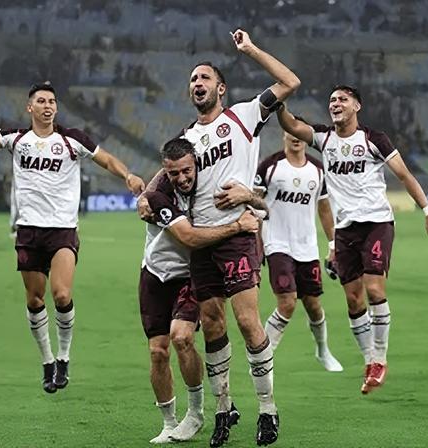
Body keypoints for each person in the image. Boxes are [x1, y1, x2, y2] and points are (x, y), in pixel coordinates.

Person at [0, 82, 145, 394]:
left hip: (62, 230)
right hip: (29, 231)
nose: (48, 106)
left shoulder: (72, 139)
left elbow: (107, 159)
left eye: (52, 101)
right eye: (41, 101)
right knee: (34, 299)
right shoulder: (16, 139)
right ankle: (47, 361)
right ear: (30, 107)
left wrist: (128, 175)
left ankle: (64, 357)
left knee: (61, 295)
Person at [276, 84, 428, 395]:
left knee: (375, 288)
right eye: (332, 100)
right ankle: (369, 361)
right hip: (345, 230)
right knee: (353, 300)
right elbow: (292, 125)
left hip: (376, 222)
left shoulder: (373, 139)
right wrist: (278, 101)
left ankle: (380, 359)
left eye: (343, 99)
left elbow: (404, 175)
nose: (336, 103)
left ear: (357, 106)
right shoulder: (324, 138)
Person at [179, 29, 300, 447]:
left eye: (204, 78)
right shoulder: (186, 139)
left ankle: (268, 408)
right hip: (203, 238)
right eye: (193, 79)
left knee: (248, 322)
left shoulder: (245, 115)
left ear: (221, 88)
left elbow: (289, 82)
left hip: (238, 236)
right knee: (212, 324)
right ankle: (223, 409)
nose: (197, 83)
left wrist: (250, 50)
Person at [138, 138, 261, 444]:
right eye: (174, 173)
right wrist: (238, 227)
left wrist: (250, 201)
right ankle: (169, 422)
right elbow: (188, 237)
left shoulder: (211, 184)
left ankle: (195, 413)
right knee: (157, 351)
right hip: (154, 273)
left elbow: (257, 203)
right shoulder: (159, 195)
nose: (182, 178)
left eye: (186, 171)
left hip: (190, 275)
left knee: (181, 337)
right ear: (166, 171)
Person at [254, 128, 343, 372]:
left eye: (300, 134)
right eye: (291, 133)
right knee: (287, 302)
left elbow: (324, 209)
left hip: (307, 246)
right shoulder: (270, 167)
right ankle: (263, 359)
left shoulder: (317, 170)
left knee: (313, 305)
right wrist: (256, 242)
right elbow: (254, 204)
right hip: (277, 243)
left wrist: (333, 245)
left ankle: (323, 350)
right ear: (284, 136)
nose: (296, 138)